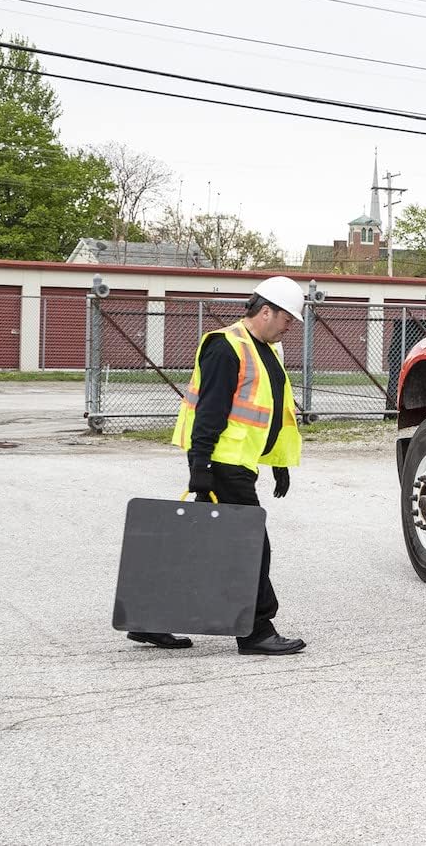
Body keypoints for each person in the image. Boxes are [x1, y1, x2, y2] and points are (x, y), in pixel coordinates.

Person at [125, 276, 308, 655]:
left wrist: (278, 462)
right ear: (266, 311)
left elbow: (271, 411)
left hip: (240, 463)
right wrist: (200, 466)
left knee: (197, 546)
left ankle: (150, 620)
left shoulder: (266, 350)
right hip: (223, 465)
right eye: (288, 319)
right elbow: (209, 413)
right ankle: (256, 631)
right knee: (252, 545)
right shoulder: (226, 347)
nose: (290, 327)